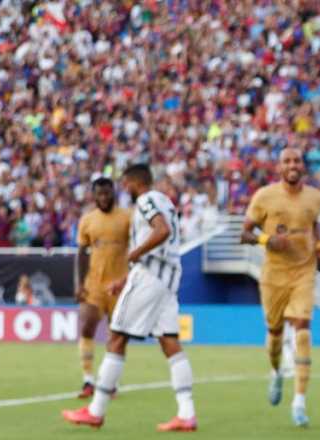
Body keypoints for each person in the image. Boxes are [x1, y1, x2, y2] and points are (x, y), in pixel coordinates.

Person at [62, 164, 197, 432]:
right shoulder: (165, 200)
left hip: (149, 279)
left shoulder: (146, 200)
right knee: (169, 342)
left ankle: (96, 410)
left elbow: (162, 230)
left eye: (126, 183)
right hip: (167, 281)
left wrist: (134, 254)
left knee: (117, 336)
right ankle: (186, 413)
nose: (124, 188)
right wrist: (124, 279)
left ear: (136, 182)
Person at [240, 147, 320, 427]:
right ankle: (276, 370)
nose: (292, 164)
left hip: (304, 272)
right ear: (279, 167)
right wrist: (268, 241)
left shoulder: (315, 197)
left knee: (302, 330)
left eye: (296, 160)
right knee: (276, 335)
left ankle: (299, 403)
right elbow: (244, 233)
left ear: (303, 165)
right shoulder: (264, 196)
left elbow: (312, 225)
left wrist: (319, 245)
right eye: (287, 161)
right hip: (273, 276)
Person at [74, 178, 132, 398]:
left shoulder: (127, 218)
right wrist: (79, 284)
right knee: (87, 325)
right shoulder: (88, 220)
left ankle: (110, 382)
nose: (104, 198)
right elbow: (81, 253)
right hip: (94, 285)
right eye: (100, 194)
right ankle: (88, 380)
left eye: (108, 193)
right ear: (94, 196)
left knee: (116, 335)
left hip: (120, 286)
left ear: (114, 193)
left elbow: (136, 247)